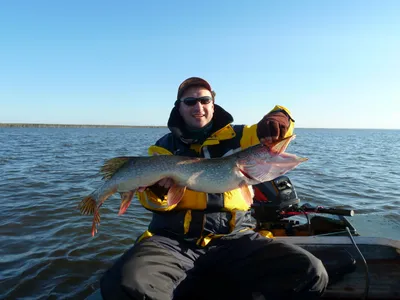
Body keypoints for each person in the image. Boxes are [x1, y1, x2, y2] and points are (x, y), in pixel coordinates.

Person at [100, 77, 328, 300]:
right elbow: (150, 202)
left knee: (310, 271)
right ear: (179, 108)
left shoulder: (242, 136)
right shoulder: (163, 148)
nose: (198, 106)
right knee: (126, 284)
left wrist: (281, 117)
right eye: (190, 102)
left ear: (213, 104)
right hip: (174, 241)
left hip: (236, 239)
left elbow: (280, 131)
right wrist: (158, 192)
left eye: (205, 100)